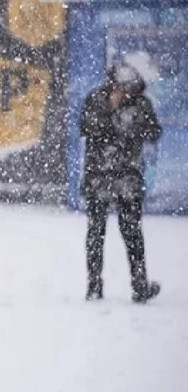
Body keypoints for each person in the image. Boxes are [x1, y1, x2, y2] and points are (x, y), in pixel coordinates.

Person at [80, 64, 162, 303]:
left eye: (130, 90)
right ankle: (94, 286)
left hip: (128, 178)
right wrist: (112, 113)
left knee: (133, 234)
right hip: (99, 177)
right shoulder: (96, 100)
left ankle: (139, 286)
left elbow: (154, 131)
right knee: (96, 233)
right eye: (121, 89)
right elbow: (86, 127)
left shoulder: (141, 104)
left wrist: (130, 124)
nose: (126, 94)